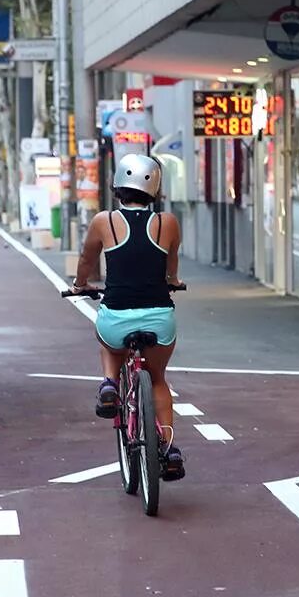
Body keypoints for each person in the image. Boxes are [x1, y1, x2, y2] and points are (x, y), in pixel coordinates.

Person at [72, 153, 185, 480]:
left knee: (110, 342)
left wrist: (81, 285)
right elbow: (171, 265)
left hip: (117, 314)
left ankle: (109, 384)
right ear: (155, 190)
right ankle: (168, 448)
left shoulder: (103, 222)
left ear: (118, 187)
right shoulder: (168, 223)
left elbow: (86, 258)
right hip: (159, 317)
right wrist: (173, 282)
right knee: (159, 378)